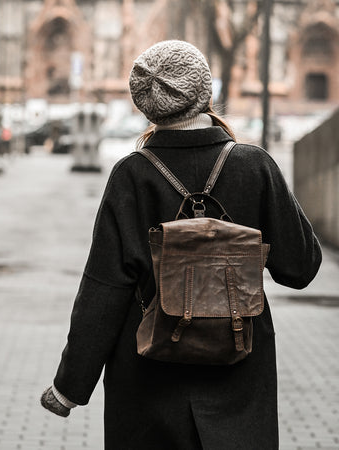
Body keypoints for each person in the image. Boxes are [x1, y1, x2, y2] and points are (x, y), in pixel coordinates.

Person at [41, 39, 322, 450]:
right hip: (239, 369)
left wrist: (70, 387)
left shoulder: (131, 176)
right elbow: (300, 268)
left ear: (144, 105)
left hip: (148, 375)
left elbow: (104, 290)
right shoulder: (253, 165)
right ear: (206, 94)